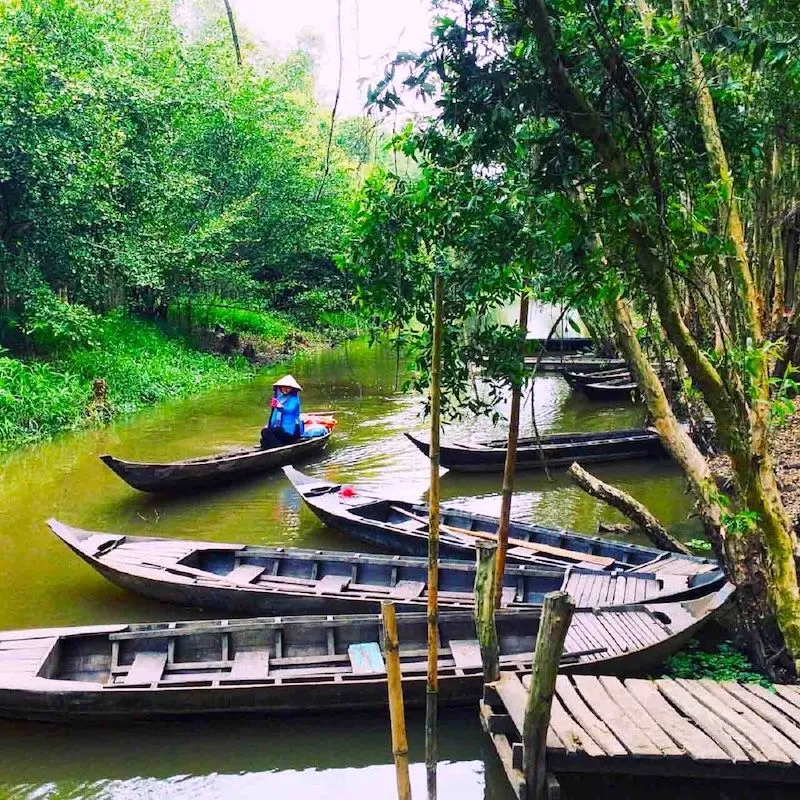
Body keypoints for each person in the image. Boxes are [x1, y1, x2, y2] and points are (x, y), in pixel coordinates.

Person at [260, 375, 304, 449]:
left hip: (292, 431)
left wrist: (281, 407)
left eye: (288, 387)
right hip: (281, 429)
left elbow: (290, 410)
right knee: (264, 437)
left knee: (266, 432)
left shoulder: (294, 399)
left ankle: (278, 448)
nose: (285, 389)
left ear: (292, 388)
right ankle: (273, 447)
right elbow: (274, 414)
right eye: (283, 386)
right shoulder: (280, 398)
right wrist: (270, 425)